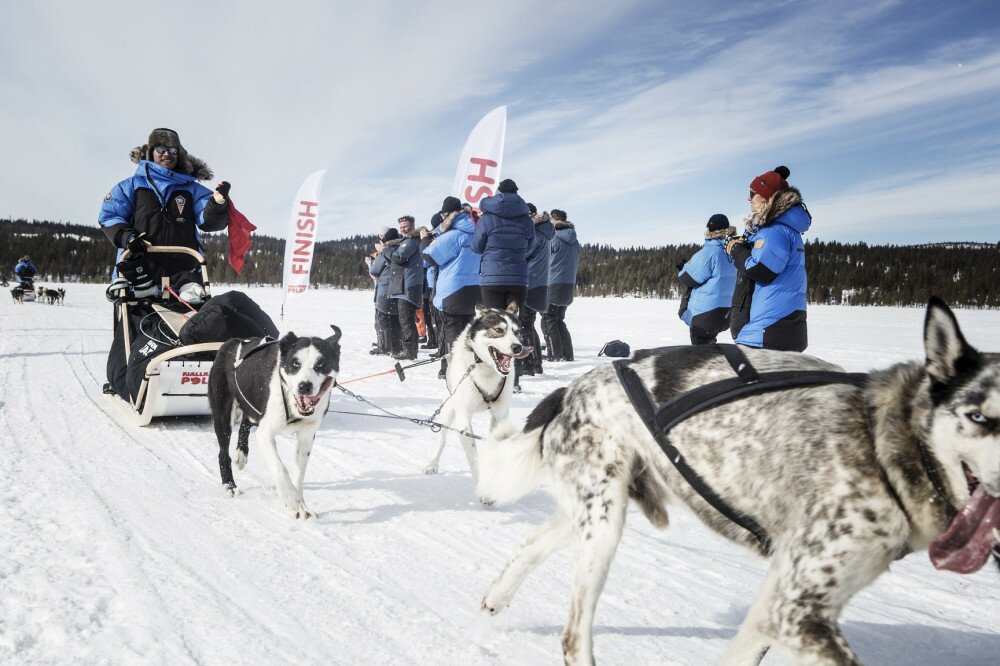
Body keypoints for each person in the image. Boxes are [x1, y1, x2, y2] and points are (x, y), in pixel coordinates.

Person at [98, 128, 230, 296]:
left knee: (193, 322)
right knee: (135, 322)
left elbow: (208, 222)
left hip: (185, 278)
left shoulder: (193, 190)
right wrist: (128, 238)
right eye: (161, 149)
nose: (167, 153)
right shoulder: (130, 186)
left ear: (179, 154)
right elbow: (110, 215)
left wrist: (216, 204)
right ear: (151, 152)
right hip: (138, 275)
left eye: (172, 150)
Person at [725, 165, 810, 352]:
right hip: (776, 326)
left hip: (767, 331)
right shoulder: (781, 229)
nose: (749, 197)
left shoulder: (774, 231)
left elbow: (761, 270)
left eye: (753, 192)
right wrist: (746, 246)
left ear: (767, 196)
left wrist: (736, 250)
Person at [421, 196, 480, 378]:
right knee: (469, 330)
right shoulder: (476, 232)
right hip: (475, 288)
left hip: (453, 290)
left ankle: (449, 369)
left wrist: (424, 240)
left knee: (451, 329)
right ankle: (469, 368)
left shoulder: (454, 234)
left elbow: (430, 256)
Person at [471, 178, 534, 311]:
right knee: (514, 325)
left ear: (498, 193)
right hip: (518, 278)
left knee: (496, 325)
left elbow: (476, 247)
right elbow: (529, 248)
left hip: (491, 278)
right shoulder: (527, 220)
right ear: (516, 193)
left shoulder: (487, 218)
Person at [677, 214, 738, 344]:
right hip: (724, 312)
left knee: (700, 356)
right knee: (709, 352)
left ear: (710, 230)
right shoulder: (733, 251)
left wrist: (683, 267)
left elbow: (688, 278)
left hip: (704, 314)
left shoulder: (709, 252)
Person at [520, 203, 554, 378]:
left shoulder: (536, 235)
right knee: (528, 324)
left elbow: (522, 253)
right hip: (538, 283)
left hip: (531, 283)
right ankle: (536, 364)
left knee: (525, 325)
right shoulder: (544, 233)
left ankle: (531, 365)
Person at [542, 209, 580, 362]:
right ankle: (567, 353)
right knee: (558, 320)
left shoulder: (554, 239)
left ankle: (554, 354)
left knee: (548, 319)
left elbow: (545, 259)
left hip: (553, 282)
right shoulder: (575, 241)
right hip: (568, 284)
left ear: (554, 220)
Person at [386, 215, 423, 360]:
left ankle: (409, 350)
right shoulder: (407, 241)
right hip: (407, 284)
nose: (403, 229)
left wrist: (386, 249)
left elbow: (398, 258)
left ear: (413, 226)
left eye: (406, 226)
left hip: (408, 286)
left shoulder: (411, 241)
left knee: (406, 320)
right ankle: (411, 349)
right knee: (407, 320)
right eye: (401, 227)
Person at [369, 227, 402, 355]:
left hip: (384, 290)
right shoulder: (402, 250)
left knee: (382, 319)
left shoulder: (386, 252)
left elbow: (374, 271)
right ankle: (396, 345)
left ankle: (384, 346)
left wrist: (379, 254)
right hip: (398, 289)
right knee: (395, 320)